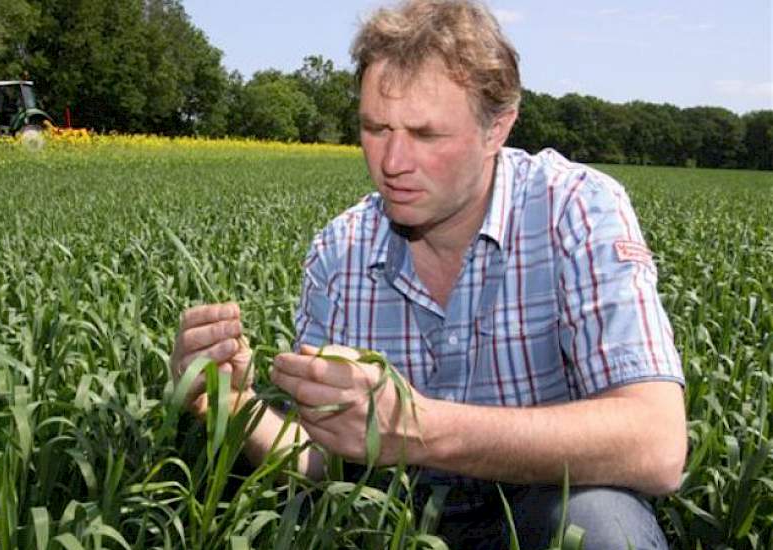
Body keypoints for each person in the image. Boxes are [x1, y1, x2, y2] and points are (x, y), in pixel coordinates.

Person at [169, 0, 686, 547]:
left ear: (498, 128)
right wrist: (233, 404)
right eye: (375, 128)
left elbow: (656, 444)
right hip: (395, 516)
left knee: (598, 522)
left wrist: (418, 429)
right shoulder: (341, 249)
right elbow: (320, 461)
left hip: (542, 506)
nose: (391, 162)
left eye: (425, 134)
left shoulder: (575, 210)